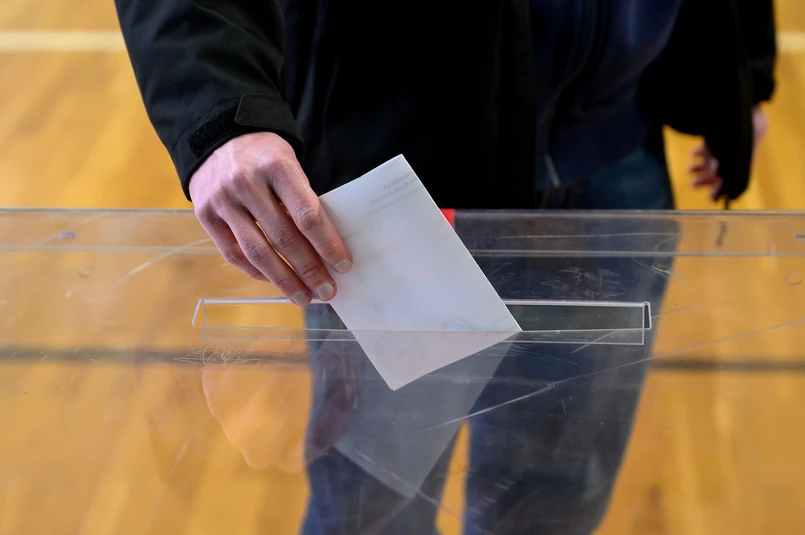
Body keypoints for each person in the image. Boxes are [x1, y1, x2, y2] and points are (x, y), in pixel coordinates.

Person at [115, 1, 776, 533]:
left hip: (613, 162)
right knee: (374, 507)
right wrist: (219, 114)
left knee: (554, 502)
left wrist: (741, 68)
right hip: (399, 185)